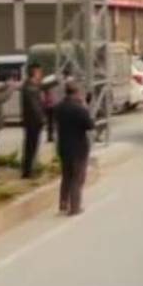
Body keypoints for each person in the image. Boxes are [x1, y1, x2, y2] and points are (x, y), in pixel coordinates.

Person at [54, 81, 95, 215]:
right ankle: (74, 207)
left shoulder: (59, 107)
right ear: (77, 93)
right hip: (78, 148)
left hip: (63, 146)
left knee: (66, 176)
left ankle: (63, 203)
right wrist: (85, 107)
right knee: (77, 178)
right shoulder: (79, 109)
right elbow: (90, 125)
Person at [20, 62, 45, 179]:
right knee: (30, 146)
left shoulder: (34, 86)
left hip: (34, 121)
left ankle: (30, 169)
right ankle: (27, 171)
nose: (41, 74)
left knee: (32, 146)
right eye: (39, 72)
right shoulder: (30, 87)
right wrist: (41, 119)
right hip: (32, 121)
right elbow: (34, 107)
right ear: (35, 73)